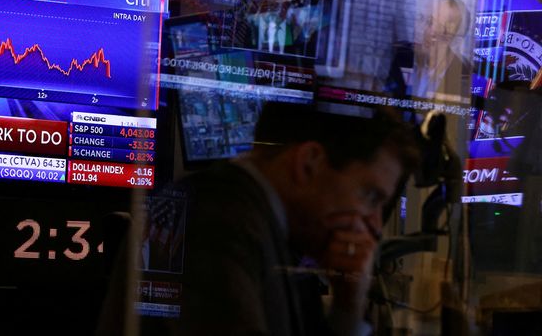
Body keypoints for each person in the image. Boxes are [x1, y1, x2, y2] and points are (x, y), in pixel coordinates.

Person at [168, 102, 418, 336]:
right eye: (370, 196)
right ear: (309, 163)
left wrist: (347, 308)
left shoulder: (267, 228)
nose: (375, 225)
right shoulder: (216, 228)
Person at [385, 0, 471, 101]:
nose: (429, 32)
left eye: (443, 29)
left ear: (456, 40)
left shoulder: (465, 77)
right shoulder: (403, 58)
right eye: (430, 22)